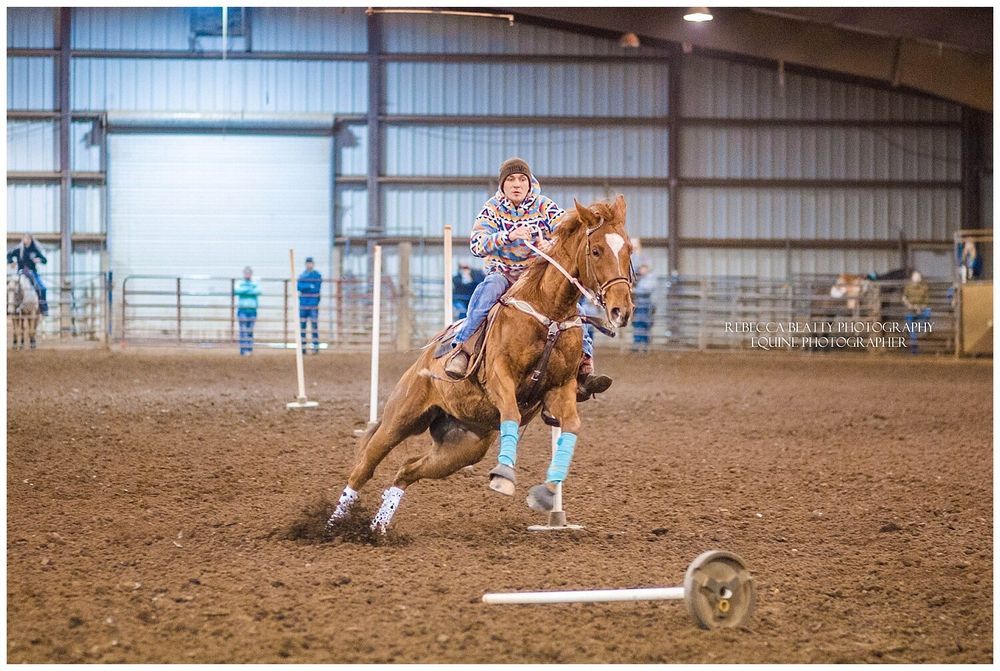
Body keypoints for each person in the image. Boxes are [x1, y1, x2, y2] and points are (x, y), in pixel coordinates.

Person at [444, 157, 612, 400]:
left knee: (571, 305)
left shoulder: (544, 206)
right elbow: (476, 244)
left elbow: (568, 232)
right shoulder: (491, 209)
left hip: (537, 276)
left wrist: (551, 243)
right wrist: (507, 236)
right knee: (487, 292)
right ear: (502, 185)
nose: (516, 184)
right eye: (511, 179)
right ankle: (463, 349)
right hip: (503, 272)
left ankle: (583, 364)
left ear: (530, 182)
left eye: (522, 179)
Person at [7, 233, 49, 315]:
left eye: (27, 238)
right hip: (20, 272)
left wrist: (39, 260)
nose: (25, 240)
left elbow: (45, 260)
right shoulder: (19, 250)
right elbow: (8, 255)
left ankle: (43, 308)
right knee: (10, 286)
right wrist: (12, 262)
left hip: (32, 272)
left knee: (42, 288)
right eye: (24, 238)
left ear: (30, 239)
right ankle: (8, 307)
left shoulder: (34, 250)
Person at [297, 256, 322, 354]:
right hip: (304, 303)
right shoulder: (302, 275)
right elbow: (299, 287)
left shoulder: (316, 275)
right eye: (308, 263)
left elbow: (316, 288)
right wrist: (309, 286)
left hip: (313, 303)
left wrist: (306, 286)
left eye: (310, 263)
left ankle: (315, 347)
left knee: (314, 325)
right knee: (302, 325)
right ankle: (302, 347)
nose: (309, 265)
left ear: (313, 264)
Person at [234, 266, 261, 356]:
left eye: (249, 273)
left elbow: (258, 291)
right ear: (244, 273)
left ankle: (249, 349)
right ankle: (244, 350)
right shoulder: (240, 283)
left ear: (251, 274)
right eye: (246, 273)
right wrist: (250, 289)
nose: (247, 274)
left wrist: (245, 291)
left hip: (252, 310)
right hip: (242, 310)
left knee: (250, 330)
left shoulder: (255, 283)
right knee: (243, 330)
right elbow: (237, 291)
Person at [902, 270, 931, 354]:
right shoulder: (908, 287)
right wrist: (911, 306)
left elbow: (926, 300)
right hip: (911, 310)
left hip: (920, 309)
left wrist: (920, 308)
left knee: (927, 313)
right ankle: (914, 346)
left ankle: (924, 328)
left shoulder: (924, 288)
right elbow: (904, 298)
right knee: (912, 329)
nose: (916, 284)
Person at [631, 264, 656, 352]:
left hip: (646, 304)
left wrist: (635, 290)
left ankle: (645, 345)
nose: (641, 270)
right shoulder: (639, 278)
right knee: (637, 324)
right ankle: (636, 344)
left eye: (643, 269)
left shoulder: (649, 279)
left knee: (645, 324)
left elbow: (647, 289)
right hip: (639, 304)